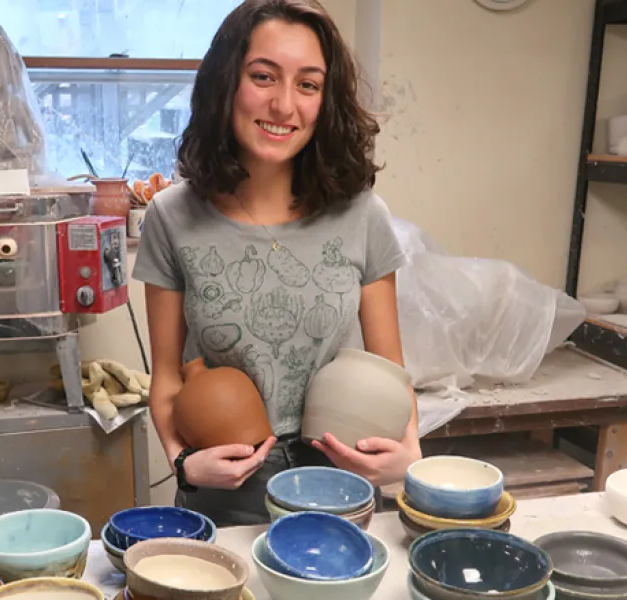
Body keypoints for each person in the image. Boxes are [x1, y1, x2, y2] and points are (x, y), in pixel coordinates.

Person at [131, 0, 421, 526]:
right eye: (264, 76)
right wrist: (183, 462)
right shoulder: (171, 216)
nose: (284, 104)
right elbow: (168, 379)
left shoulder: (362, 214)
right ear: (226, 82)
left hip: (340, 480)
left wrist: (408, 454)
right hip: (225, 490)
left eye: (308, 85)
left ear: (324, 100)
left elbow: (390, 371)